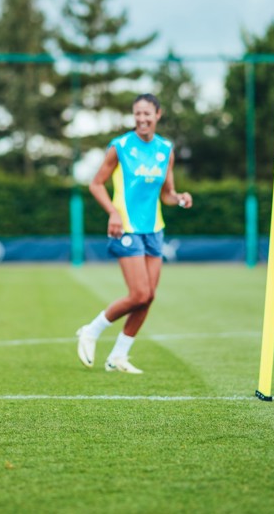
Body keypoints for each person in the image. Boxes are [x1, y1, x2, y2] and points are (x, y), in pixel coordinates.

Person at [75, 93, 193, 374]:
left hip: (154, 230)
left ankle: (118, 356)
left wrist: (179, 198)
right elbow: (96, 184)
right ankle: (91, 330)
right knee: (139, 293)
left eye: (147, 114)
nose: (142, 118)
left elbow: (166, 194)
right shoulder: (120, 147)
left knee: (148, 296)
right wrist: (113, 213)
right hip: (125, 228)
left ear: (158, 115)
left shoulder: (166, 149)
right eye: (137, 114)